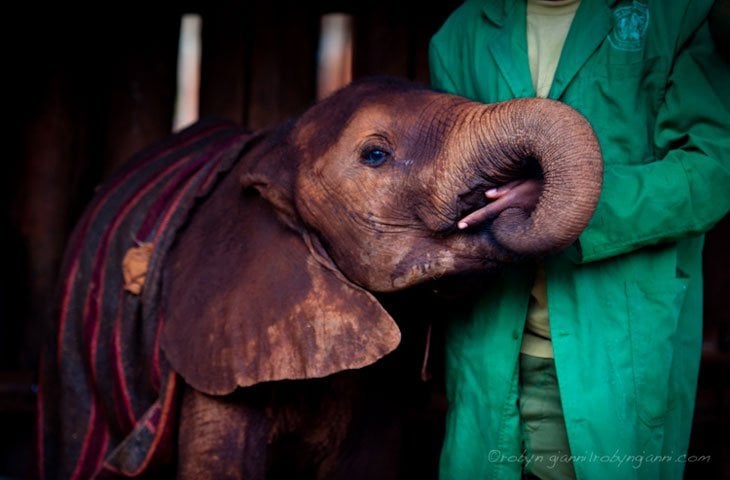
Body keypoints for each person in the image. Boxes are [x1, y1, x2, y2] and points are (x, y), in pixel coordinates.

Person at [429, 0, 730, 478]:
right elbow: (442, 181)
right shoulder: (463, 30)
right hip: (488, 356)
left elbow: (712, 173)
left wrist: (565, 198)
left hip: (615, 356)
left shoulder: (679, 14)